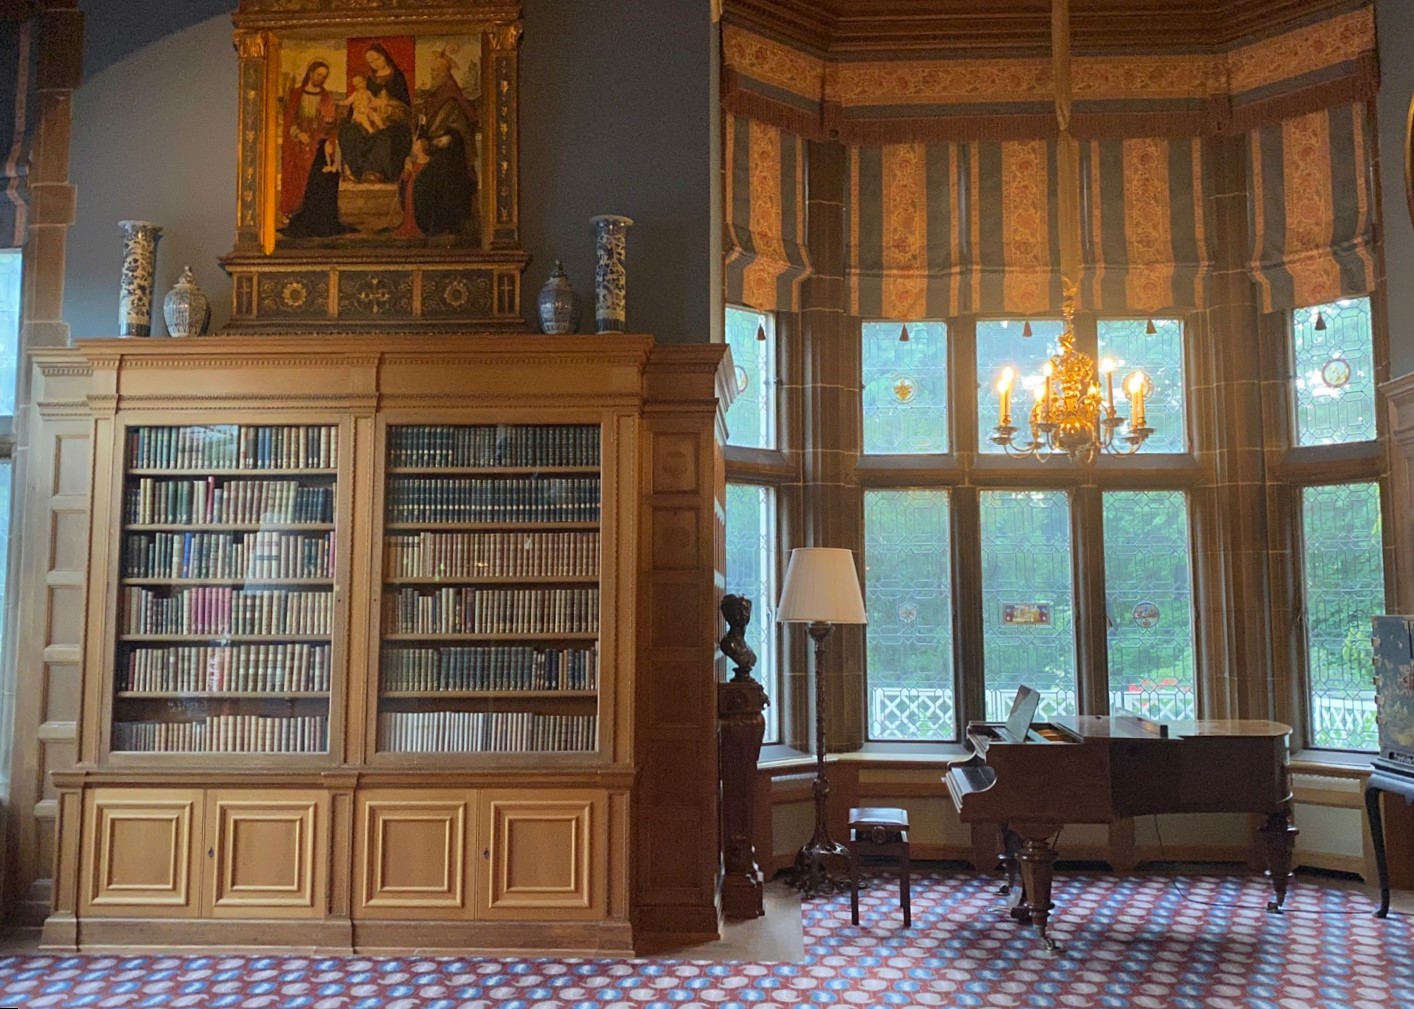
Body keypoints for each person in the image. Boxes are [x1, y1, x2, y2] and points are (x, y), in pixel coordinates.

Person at [412, 49, 479, 239]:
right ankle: (423, 224)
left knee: (426, 180)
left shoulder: (453, 99)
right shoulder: (432, 98)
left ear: (446, 74)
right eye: (432, 71)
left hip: (451, 155)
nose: (433, 74)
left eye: (436, 71)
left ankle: (438, 224)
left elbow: (463, 130)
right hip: (432, 150)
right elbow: (424, 126)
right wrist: (421, 135)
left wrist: (450, 138)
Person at [338, 43, 413, 183]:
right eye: (371, 62)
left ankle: (374, 171)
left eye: (377, 59)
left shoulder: (397, 78)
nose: (375, 64)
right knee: (349, 131)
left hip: (393, 123)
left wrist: (387, 104)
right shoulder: (369, 80)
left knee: (385, 136)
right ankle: (356, 173)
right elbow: (358, 100)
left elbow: (406, 107)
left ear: (384, 56)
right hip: (369, 120)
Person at [279, 61, 337, 219]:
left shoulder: (326, 96)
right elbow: (289, 119)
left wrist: (328, 122)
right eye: (319, 74)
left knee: (316, 170)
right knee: (296, 172)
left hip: (317, 140)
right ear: (311, 73)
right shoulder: (297, 94)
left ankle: (314, 213)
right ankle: (292, 208)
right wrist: (298, 133)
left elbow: (330, 123)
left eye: (324, 76)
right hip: (298, 141)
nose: (321, 78)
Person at [280, 137, 351, 239]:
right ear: (323, 148)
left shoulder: (330, 162)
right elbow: (318, 179)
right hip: (317, 201)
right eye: (328, 145)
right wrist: (328, 171)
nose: (331, 147)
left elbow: (334, 175)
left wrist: (332, 170)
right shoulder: (318, 163)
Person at [394, 137, 431, 238]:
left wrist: (411, 170)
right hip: (411, 192)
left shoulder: (429, 164)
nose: (413, 146)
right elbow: (405, 178)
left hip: (422, 194)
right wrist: (407, 168)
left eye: (416, 145)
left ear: (422, 148)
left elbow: (423, 181)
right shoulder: (412, 162)